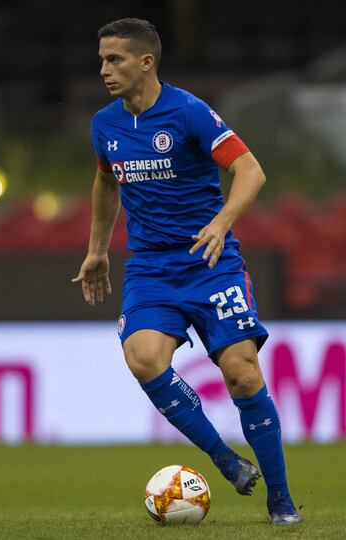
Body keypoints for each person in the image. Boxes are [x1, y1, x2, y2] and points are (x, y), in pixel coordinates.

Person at [73, 18, 301, 525]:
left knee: (241, 374)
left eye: (115, 59)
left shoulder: (189, 112)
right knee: (143, 357)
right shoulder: (105, 124)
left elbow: (250, 170)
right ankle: (225, 460)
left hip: (210, 264)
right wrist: (98, 249)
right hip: (151, 270)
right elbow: (107, 183)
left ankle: (281, 500)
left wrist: (222, 222)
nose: (104, 69)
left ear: (146, 62)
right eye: (102, 60)